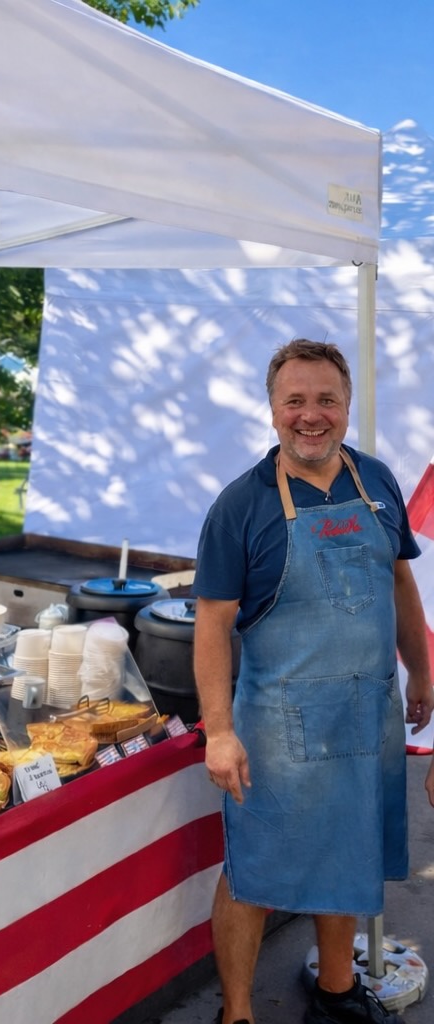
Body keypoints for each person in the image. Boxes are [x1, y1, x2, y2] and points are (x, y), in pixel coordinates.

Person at [193, 339, 434, 1024]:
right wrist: (219, 732)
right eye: (295, 401)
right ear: (272, 410)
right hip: (277, 728)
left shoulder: (377, 481)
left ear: (346, 406)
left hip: (368, 712)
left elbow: (399, 581)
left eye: (326, 399)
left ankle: (335, 990)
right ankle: (236, 1013)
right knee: (252, 875)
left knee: (350, 853)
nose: (311, 415)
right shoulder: (240, 506)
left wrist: (420, 668)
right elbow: (212, 626)